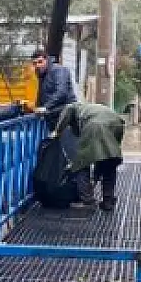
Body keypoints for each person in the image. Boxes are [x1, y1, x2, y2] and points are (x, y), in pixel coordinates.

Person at [31, 46, 95, 206]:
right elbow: (41, 97)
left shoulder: (59, 71)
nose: (37, 65)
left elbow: (61, 93)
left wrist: (46, 108)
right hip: (56, 121)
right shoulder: (43, 75)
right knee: (62, 159)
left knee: (75, 157)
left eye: (40, 61)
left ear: (46, 59)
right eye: (35, 63)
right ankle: (71, 193)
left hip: (68, 121)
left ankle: (85, 197)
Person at [53, 99, 126, 211]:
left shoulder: (73, 107)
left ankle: (87, 201)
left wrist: (57, 132)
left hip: (95, 126)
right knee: (109, 163)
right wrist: (96, 175)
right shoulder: (90, 108)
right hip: (117, 122)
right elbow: (105, 154)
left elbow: (68, 110)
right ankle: (108, 201)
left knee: (81, 165)